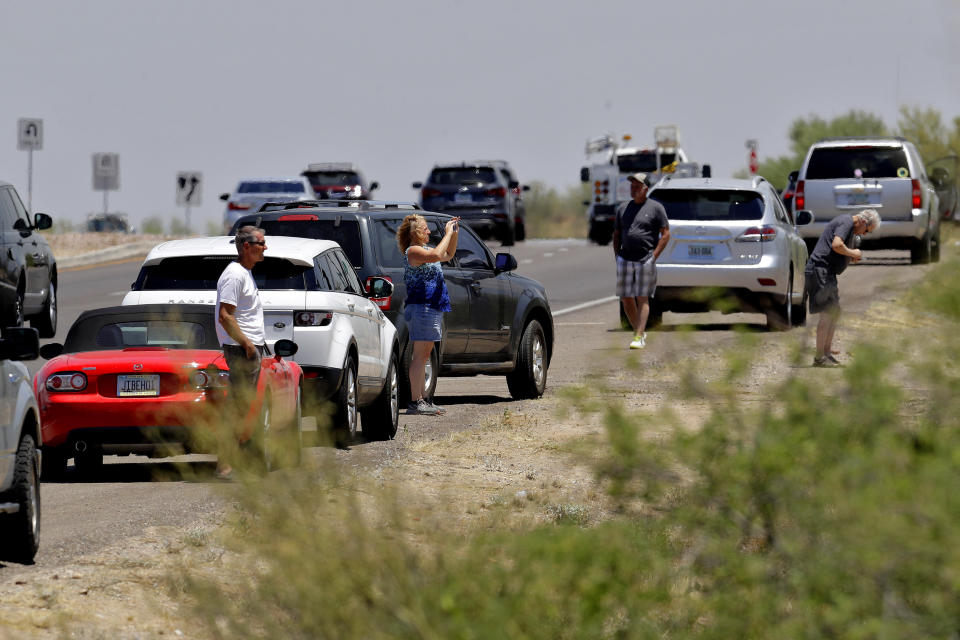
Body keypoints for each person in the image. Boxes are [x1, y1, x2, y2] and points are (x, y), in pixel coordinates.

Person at [214, 225, 269, 477]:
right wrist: (247, 345)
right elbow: (225, 315)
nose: (265, 247)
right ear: (246, 246)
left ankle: (243, 461)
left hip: (247, 348)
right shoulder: (234, 275)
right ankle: (226, 464)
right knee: (239, 407)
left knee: (245, 406)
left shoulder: (245, 273)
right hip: (240, 349)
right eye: (261, 243)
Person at [396, 213, 459, 415]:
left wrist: (454, 233)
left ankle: (423, 399)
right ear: (416, 232)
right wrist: (447, 233)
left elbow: (447, 254)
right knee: (419, 356)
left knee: (424, 356)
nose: (429, 231)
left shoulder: (425, 249)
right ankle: (416, 401)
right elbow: (437, 255)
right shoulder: (413, 251)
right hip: (422, 307)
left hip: (431, 307)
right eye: (425, 229)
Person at [804, 209, 881, 367]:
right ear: (863, 222)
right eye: (866, 231)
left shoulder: (850, 228)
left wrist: (849, 256)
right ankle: (820, 358)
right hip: (820, 270)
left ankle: (826, 353)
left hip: (827, 272)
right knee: (827, 314)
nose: (864, 234)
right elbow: (837, 244)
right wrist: (853, 252)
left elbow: (839, 249)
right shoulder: (846, 222)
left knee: (834, 312)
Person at [613, 172, 670, 349]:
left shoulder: (656, 208)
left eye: (637, 186)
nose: (634, 189)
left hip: (645, 258)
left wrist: (654, 256)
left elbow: (666, 234)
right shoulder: (623, 209)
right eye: (632, 186)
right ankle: (638, 331)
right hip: (625, 258)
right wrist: (618, 256)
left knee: (642, 297)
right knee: (626, 298)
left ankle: (638, 336)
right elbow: (616, 235)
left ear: (645, 189)